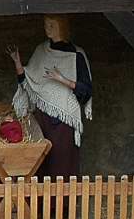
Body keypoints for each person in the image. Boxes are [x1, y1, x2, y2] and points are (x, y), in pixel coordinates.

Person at [8, 15, 92, 178]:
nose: (48, 28)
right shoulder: (41, 50)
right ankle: (39, 196)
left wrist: (62, 79)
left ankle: (62, 196)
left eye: (52, 25)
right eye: (46, 25)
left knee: (61, 162)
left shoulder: (76, 54)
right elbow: (28, 82)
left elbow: (86, 91)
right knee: (40, 162)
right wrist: (17, 62)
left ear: (62, 27)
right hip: (42, 117)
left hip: (63, 120)